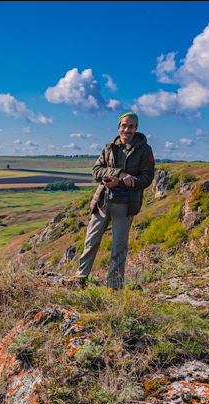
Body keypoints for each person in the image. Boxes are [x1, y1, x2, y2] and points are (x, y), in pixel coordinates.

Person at [75, 111, 155, 289]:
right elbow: (96, 171)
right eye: (123, 125)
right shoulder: (109, 147)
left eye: (131, 126)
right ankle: (80, 279)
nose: (127, 129)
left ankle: (114, 287)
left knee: (118, 247)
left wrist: (125, 182)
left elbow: (147, 178)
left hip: (125, 205)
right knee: (91, 241)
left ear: (136, 129)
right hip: (103, 201)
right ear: (119, 127)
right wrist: (119, 173)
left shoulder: (145, 150)